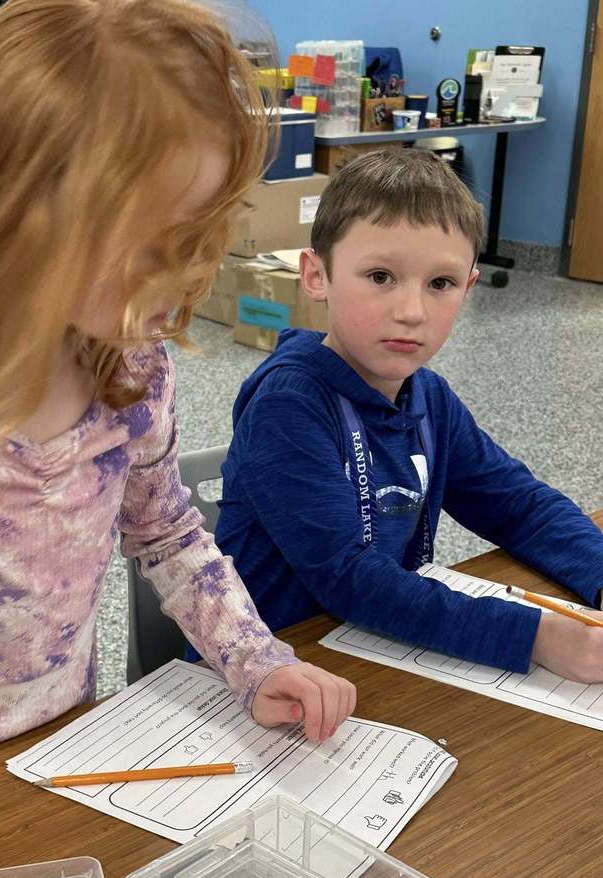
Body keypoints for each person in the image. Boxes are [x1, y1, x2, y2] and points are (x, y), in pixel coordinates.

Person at [0, 0, 357, 797]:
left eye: (202, 237)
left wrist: (257, 660)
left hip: (57, 763)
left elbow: (168, 535)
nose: (191, 275)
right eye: (159, 243)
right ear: (9, 212)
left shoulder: (131, 373)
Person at [215, 149, 603, 683]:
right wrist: (535, 636)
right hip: (269, 669)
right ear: (316, 275)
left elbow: (518, 507)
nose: (412, 311)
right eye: (380, 276)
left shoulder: (429, 398)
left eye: (439, 284)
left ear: (468, 287)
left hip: (374, 650)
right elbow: (347, 578)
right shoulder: (288, 405)